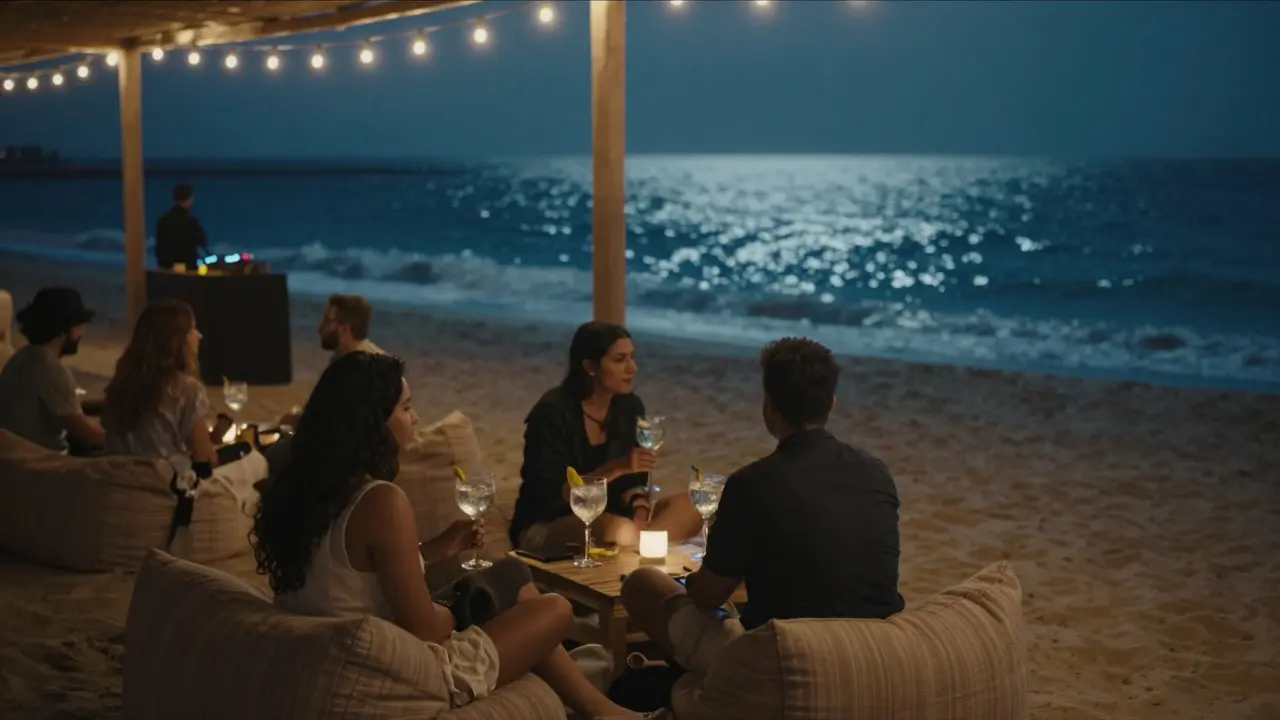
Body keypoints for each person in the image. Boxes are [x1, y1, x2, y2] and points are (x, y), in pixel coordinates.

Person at [251, 352, 659, 719]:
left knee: (505, 574)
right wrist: (462, 612)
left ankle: (604, 711)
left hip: (335, 649)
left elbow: (350, 575)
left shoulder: (306, 489)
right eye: (406, 407)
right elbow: (426, 630)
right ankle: (604, 709)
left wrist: (439, 549)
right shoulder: (379, 500)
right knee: (553, 610)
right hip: (391, 672)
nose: (415, 418)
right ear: (372, 422)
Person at [621, 337, 906, 675]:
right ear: (831, 403)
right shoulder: (876, 473)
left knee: (643, 585)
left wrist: (692, 582)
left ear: (769, 406)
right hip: (874, 650)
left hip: (786, 660)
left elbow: (708, 596)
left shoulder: (752, 483)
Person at [511, 322, 702, 554]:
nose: (632, 368)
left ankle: (640, 545)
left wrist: (640, 509)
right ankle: (640, 546)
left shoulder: (629, 406)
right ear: (590, 367)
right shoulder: (552, 412)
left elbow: (635, 483)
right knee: (617, 530)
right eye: (620, 360)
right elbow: (555, 494)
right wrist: (616, 468)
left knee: (694, 503)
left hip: (617, 518)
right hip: (550, 522)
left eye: (632, 358)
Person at [100, 299, 237, 474]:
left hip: (119, 479)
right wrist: (216, 439)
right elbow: (204, 460)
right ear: (178, 339)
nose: (199, 336)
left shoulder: (121, 385)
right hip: (164, 483)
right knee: (253, 461)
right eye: (193, 329)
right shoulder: (186, 389)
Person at [0, 287, 105, 453]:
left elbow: (57, 408)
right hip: (43, 460)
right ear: (63, 329)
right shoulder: (51, 370)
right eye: (79, 325)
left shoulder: (22, 357)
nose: (82, 332)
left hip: (15, 455)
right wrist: (122, 443)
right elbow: (84, 434)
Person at [155, 182, 210, 270]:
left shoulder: (163, 220)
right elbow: (203, 242)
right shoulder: (191, 222)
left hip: (167, 271)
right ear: (189, 199)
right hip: (188, 270)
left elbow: (159, 249)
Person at [319, 293, 383, 359]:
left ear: (344, 329)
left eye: (327, 321)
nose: (320, 328)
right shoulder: (376, 357)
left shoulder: (353, 363)